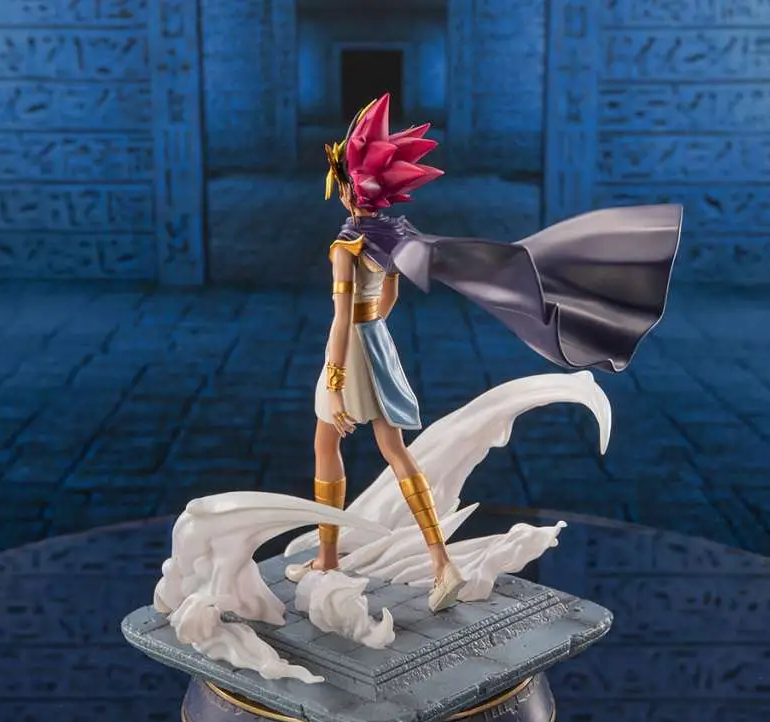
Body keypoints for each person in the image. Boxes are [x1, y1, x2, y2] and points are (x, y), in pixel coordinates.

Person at [286, 93, 684, 614]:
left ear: (347, 189)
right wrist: (372, 330)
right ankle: (441, 564)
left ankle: (328, 560)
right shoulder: (391, 239)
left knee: (326, 445)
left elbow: (342, 319)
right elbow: (387, 302)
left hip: (354, 350)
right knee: (396, 452)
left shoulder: (346, 247)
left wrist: (337, 381)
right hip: (379, 347)